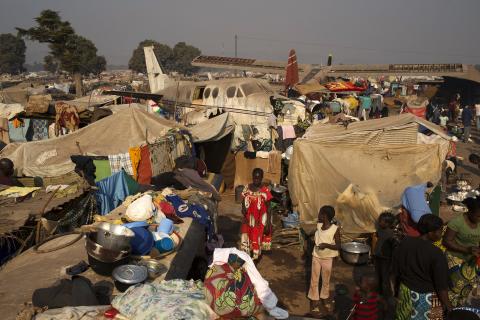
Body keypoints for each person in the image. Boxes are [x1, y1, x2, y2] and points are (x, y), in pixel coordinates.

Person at [392, 214, 452, 320]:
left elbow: (396, 269)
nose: (441, 234)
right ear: (431, 233)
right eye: (440, 230)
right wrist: (448, 305)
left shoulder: (405, 242)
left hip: (405, 291)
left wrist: (396, 291)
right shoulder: (436, 253)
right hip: (425, 298)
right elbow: (441, 285)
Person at [443, 197, 480, 307]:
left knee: (467, 289)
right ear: (470, 211)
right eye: (478, 216)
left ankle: (460, 310)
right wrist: (467, 249)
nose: (479, 218)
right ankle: (449, 311)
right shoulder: (457, 223)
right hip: (455, 259)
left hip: (471, 261)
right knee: (454, 288)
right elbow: (446, 241)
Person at [308, 205, 340, 313]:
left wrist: (326, 245)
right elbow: (315, 235)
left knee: (326, 279)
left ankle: (324, 296)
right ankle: (314, 299)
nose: (318, 215)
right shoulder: (318, 226)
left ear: (325, 216)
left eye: (320, 213)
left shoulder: (334, 229)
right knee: (314, 278)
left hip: (327, 258)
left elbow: (338, 246)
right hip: (316, 256)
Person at [240, 168, 272, 260]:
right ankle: (247, 254)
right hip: (247, 218)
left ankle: (254, 257)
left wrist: (268, 223)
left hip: (259, 220)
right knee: (247, 234)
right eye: (254, 178)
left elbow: (269, 208)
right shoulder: (247, 187)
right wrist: (243, 209)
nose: (256, 180)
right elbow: (243, 200)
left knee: (256, 236)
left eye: (258, 178)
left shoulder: (265, 191)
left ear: (261, 178)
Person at [373, 212, 397, 303]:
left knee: (385, 278)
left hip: (386, 259)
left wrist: (392, 262)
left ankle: (386, 296)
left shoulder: (391, 234)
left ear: (387, 223)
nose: (379, 222)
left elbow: (394, 249)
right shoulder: (380, 230)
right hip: (378, 256)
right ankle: (379, 294)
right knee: (378, 276)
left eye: (381, 221)